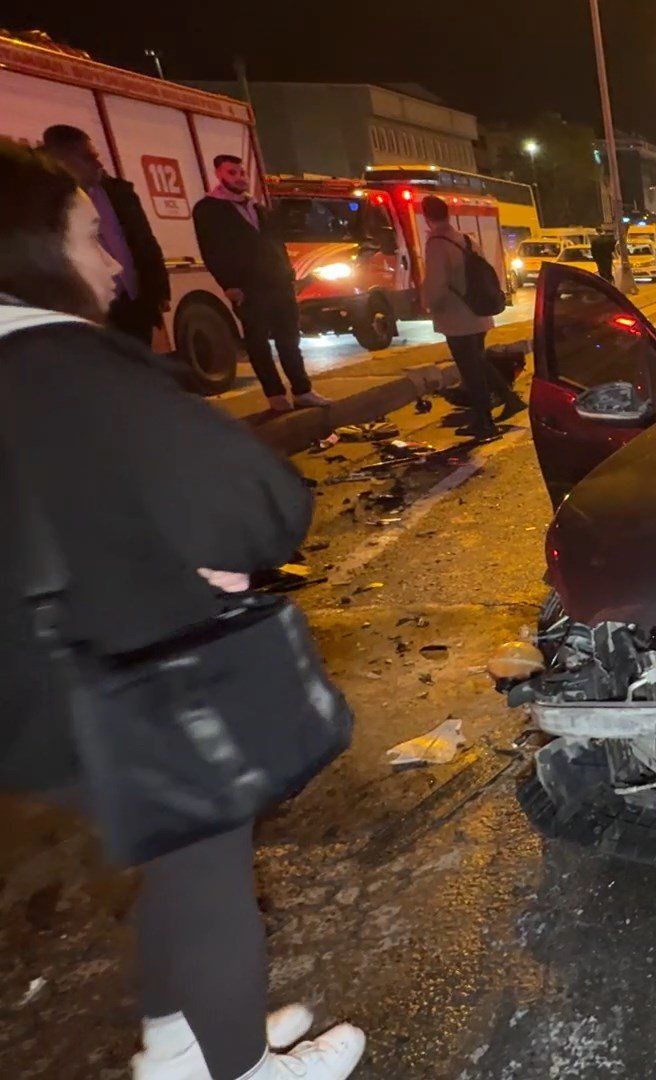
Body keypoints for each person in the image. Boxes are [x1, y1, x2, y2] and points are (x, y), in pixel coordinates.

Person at [0, 142, 366, 1080]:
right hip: (104, 677)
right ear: (33, 249)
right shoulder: (65, 364)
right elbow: (258, 500)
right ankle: (240, 1066)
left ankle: (179, 1041)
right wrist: (222, 553)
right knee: (205, 862)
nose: (113, 262)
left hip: (28, 691)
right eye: (90, 235)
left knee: (172, 849)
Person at [192, 155, 322, 412]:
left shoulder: (257, 207)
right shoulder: (208, 209)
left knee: (289, 340)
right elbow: (211, 250)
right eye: (232, 173)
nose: (239, 178)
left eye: (241, 172)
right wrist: (228, 284)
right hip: (247, 287)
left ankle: (302, 390)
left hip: (279, 284)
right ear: (219, 175)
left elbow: (276, 243)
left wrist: (289, 275)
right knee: (258, 343)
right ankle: (275, 395)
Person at [39, 124, 170, 347]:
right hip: (91, 312)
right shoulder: (45, 203)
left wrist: (159, 290)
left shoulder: (119, 193)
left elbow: (145, 242)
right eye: (87, 158)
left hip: (134, 302)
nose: (98, 165)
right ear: (60, 160)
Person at [420, 195, 523, 438]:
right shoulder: (466, 239)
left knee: (470, 370)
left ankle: (484, 421)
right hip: (479, 314)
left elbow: (437, 284)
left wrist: (428, 305)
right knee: (479, 361)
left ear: (426, 217)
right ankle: (510, 399)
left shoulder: (436, 243)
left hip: (458, 319)